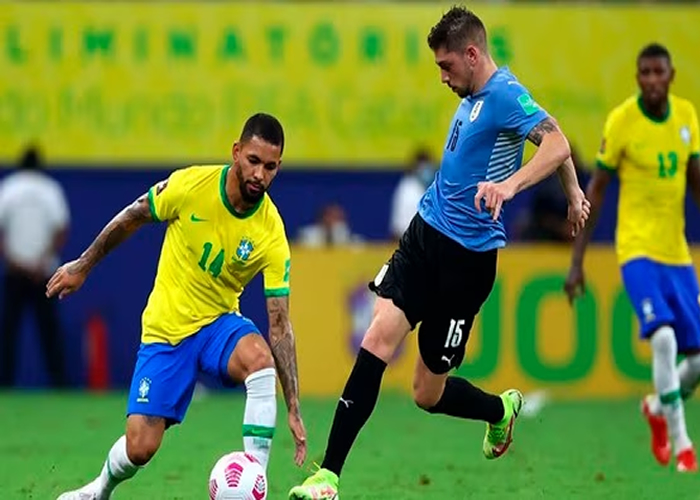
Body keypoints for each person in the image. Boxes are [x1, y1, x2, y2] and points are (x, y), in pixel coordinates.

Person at [289, 6, 590, 499]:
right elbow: (554, 134)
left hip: (467, 264)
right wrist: (575, 192)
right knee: (377, 339)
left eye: (447, 66)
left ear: (473, 55)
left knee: (425, 394)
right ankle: (328, 476)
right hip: (424, 235)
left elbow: (556, 142)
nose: (443, 77)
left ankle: (499, 410)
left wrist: (510, 186)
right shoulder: (477, 92)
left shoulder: (504, 95)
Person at [48, 113, 308, 499]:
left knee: (260, 359)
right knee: (140, 447)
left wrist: (293, 404)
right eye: (253, 161)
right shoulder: (191, 185)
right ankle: (98, 491)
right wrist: (83, 266)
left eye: (270, 167)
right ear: (236, 152)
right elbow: (132, 216)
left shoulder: (271, 232)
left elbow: (280, 324)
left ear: (278, 168)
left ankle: (256, 487)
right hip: (166, 332)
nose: (259, 174)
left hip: (218, 325)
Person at [565, 43, 700, 473]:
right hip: (636, 250)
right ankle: (682, 443)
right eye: (644, 73)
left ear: (671, 75)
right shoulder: (622, 121)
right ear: (638, 77)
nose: (652, 80)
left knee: (697, 359)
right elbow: (597, 192)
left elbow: (696, 184)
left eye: (659, 72)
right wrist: (576, 260)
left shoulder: (686, 117)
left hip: (676, 252)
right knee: (662, 340)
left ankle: (657, 408)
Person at [0, 145, 70, 388]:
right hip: (45, 273)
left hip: (15, 271)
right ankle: (60, 385)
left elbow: (2, 230)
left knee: (9, 333)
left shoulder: (8, 188)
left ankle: (5, 385)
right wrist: (42, 260)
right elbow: (61, 230)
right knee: (49, 334)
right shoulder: (50, 189)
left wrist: (14, 261)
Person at [389, 148, 437, 241]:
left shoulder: (430, 188)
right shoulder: (408, 188)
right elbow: (401, 228)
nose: (427, 171)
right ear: (415, 168)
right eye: (423, 167)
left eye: (429, 166)